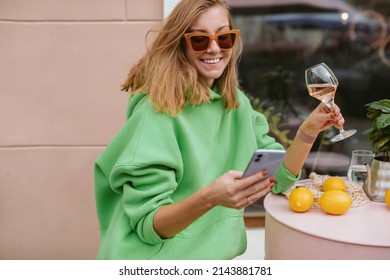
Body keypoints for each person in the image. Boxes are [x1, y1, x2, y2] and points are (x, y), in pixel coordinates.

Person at [94, 0, 345, 260]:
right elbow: (150, 225)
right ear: (181, 44)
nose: (214, 48)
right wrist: (210, 198)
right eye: (200, 40)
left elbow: (279, 178)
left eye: (224, 37)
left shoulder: (235, 103)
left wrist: (308, 132)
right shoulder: (156, 112)